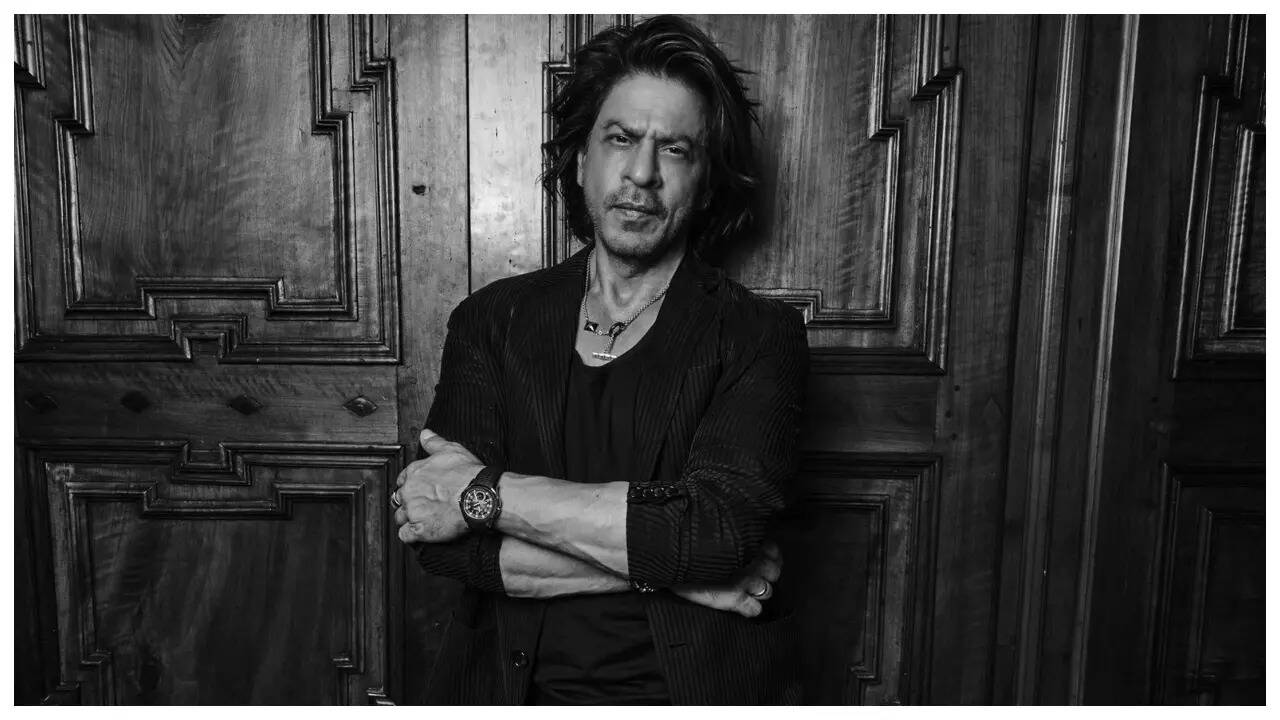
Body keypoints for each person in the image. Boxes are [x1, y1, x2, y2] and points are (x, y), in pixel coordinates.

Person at [392, 14, 809, 705]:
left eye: (674, 149)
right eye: (620, 138)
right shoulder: (493, 320)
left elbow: (717, 535)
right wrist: (680, 572)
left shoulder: (758, 335)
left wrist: (486, 496)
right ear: (582, 160)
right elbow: (442, 540)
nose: (642, 173)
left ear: (706, 183)